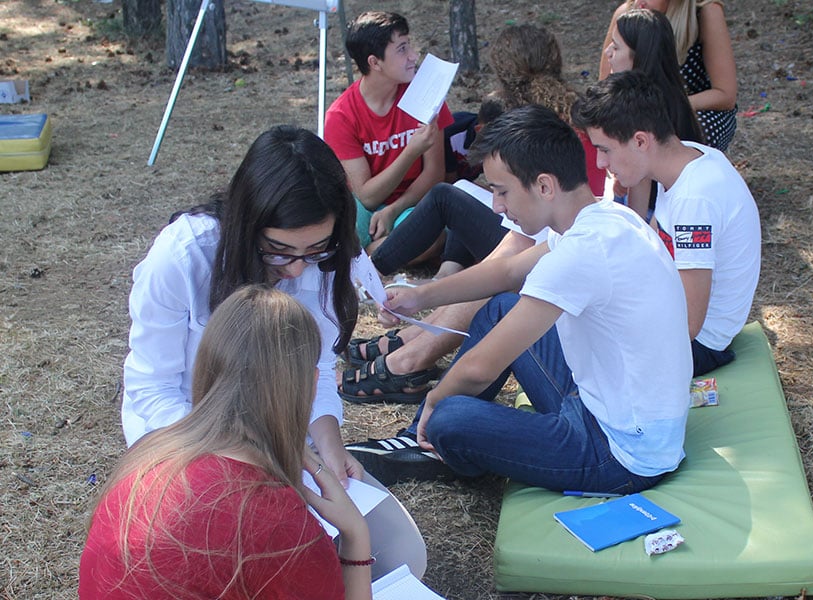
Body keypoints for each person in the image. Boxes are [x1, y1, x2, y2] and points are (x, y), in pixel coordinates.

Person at [121, 125, 426, 578]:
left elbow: (317, 369)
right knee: (260, 562)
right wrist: (236, 458)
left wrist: (328, 447)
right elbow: (152, 388)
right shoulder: (184, 256)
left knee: (399, 559)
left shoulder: (322, 261)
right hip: (185, 441)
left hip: (282, 447)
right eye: (278, 251)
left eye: (315, 249)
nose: (298, 267)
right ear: (248, 224)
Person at [346, 105, 693, 491]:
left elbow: (481, 367)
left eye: (501, 191)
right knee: (499, 308)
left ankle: (433, 439)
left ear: (544, 186)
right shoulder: (603, 217)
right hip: (613, 408)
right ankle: (426, 441)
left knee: (450, 416)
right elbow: (507, 271)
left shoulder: (583, 252)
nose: (496, 206)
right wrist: (419, 296)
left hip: (621, 453)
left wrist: (434, 401)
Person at [340, 25, 608, 404]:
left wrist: (437, 404)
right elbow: (508, 262)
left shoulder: (528, 126)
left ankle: (406, 340)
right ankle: (412, 341)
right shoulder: (565, 120)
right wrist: (420, 297)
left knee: (457, 208)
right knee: (474, 213)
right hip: (558, 230)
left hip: (598, 410)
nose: (412, 55)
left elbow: (507, 280)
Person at [82, 286, 374, 599]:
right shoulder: (280, 526)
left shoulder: (148, 455)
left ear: (206, 367)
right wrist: (356, 534)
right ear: (312, 383)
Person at [573, 70, 760, 376]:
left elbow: (687, 325)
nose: (600, 164)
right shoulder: (686, 159)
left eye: (605, 150)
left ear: (641, 141)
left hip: (697, 346)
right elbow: (653, 252)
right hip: (676, 322)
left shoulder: (694, 198)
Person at [324, 11, 455, 255]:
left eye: (409, 46)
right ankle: (379, 252)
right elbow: (367, 197)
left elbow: (435, 173)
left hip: (412, 201)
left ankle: (368, 256)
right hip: (364, 206)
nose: (413, 56)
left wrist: (394, 209)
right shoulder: (340, 116)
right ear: (375, 63)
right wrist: (411, 151)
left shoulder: (425, 92)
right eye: (402, 49)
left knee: (431, 236)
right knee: (336, 229)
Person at [602, 7, 706, 220]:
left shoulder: (643, 112)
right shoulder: (672, 94)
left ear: (637, 57)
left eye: (616, 47)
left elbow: (639, 201)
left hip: (658, 215)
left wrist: (630, 232)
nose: (608, 52)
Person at [599, 0, 738, 152]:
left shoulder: (705, 12)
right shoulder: (626, 14)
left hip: (696, 108)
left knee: (688, 135)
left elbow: (725, 95)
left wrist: (671, 105)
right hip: (639, 107)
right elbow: (605, 88)